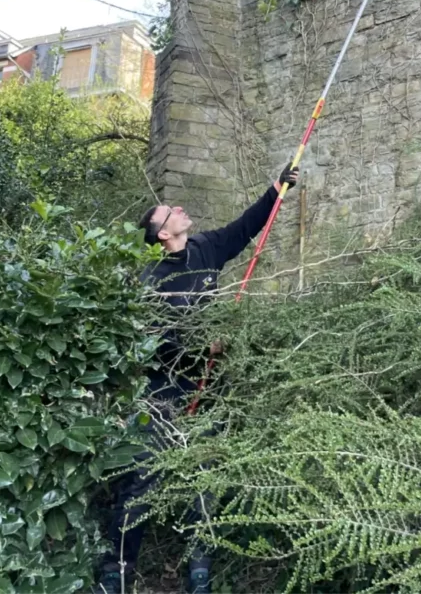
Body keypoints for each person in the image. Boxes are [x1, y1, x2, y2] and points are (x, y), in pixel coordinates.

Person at [93, 165, 299, 594]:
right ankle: (117, 568)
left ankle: (199, 568)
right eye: (170, 211)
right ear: (162, 235)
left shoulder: (204, 249)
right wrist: (200, 346)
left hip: (206, 390)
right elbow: (154, 342)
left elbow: (245, 227)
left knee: (204, 476)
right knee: (144, 477)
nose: (180, 209)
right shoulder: (151, 280)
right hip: (162, 394)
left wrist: (277, 188)